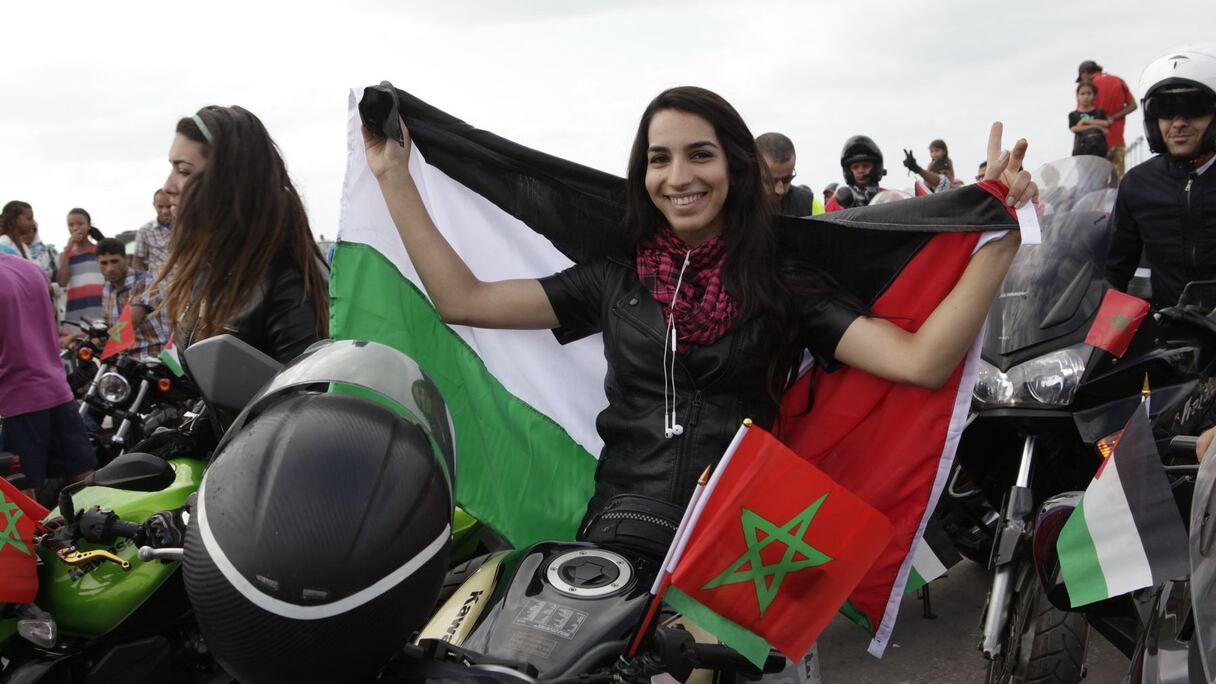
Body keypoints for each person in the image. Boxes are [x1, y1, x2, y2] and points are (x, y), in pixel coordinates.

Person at [362, 86, 1034, 522]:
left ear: (735, 168)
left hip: (737, 547)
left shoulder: (784, 282)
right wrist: (394, 175)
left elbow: (920, 362)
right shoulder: (613, 279)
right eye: (659, 159)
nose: (678, 177)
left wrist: (997, 237)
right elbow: (463, 298)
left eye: (699, 156)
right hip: (619, 531)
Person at [157, 105, 329, 365]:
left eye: (183, 171)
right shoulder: (213, 266)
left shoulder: (288, 282)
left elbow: (308, 398)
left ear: (228, 181)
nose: (168, 186)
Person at [1106, 46, 1216, 310]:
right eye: (1166, 110)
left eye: (1193, 108)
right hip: (1170, 333)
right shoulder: (1137, 184)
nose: (1178, 122)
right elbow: (1114, 272)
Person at [0, 253, 96, 499]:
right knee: (82, 477)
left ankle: (31, 539)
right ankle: (96, 531)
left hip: (14, 399)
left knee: (17, 491)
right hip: (56, 388)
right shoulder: (31, 270)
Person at [96, 238, 168, 360]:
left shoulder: (144, 281)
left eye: (114, 261)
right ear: (97, 262)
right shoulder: (106, 288)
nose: (109, 268)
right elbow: (107, 326)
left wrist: (98, 338)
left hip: (152, 356)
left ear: (125, 259)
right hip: (122, 358)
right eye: (104, 263)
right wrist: (78, 337)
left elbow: (129, 323)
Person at [1077, 59, 1138, 181]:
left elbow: (1080, 115)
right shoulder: (1118, 81)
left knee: (1097, 186)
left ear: (1084, 73)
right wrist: (1113, 117)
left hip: (1095, 145)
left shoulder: (1088, 89)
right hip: (1117, 142)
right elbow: (1133, 105)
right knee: (1119, 182)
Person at [56, 208, 105, 334]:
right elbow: (62, 282)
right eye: (71, 225)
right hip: (77, 307)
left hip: (100, 304)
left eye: (80, 224)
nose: (75, 228)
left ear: (88, 226)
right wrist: (68, 250)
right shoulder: (65, 255)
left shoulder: (99, 250)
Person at [755, 132, 824, 216]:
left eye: (787, 180)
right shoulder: (736, 206)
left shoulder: (810, 204)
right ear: (753, 171)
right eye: (770, 181)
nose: (780, 190)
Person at [825, 135, 887, 210]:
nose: (860, 170)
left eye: (866, 166)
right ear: (848, 172)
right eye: (855, 167)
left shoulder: (888, 198)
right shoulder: (835, 203)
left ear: (876, 168)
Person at [132, 189, 175, 278]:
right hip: (158, 287)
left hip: (185, 286)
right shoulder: (145, 231)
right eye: (160, 207)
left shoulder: (187, 228)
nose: (165, 211)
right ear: (154, 205)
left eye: (169, 206)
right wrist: (145, 281)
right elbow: (137, 262)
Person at [1069, 81, 1110, 157]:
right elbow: (1074, 129)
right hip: (1081, 152)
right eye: (1082, 94)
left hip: (1099, 152)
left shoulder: (1099, 112)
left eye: (1089, 93)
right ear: (1078, 96)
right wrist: (1096, 126)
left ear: (1094, 95)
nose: (1086, 96)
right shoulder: (1073, 115)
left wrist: (1085, 121)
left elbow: (1105, 125)